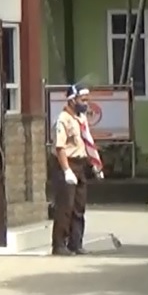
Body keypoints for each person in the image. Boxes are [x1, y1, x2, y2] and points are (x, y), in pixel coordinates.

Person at [52, 84, 103, 256]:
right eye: (83, 100)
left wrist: (95, 164)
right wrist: (66, 170)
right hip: (68, 164)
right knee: (65, 207)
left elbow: (86, 144)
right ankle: (59, 245)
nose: (86, 103)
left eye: (87, 100)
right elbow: (60, 148)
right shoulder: (63, 119)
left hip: (81, 165)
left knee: (79, 207)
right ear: (72, 100)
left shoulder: (81, 119)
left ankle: (76, 243)